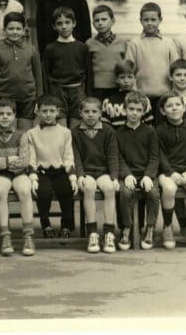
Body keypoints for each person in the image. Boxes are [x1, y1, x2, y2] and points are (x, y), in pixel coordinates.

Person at [24, 95, 77, 240]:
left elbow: (68, 155)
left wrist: (72, 175)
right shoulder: (32, 133)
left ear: (58, 112)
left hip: (60, 170)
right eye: (44, 111)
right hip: (42, 171)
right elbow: (32, 157)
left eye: (52, 111)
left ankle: (66, 226)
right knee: (43, 191)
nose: (48, 114)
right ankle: (46, 225)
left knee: (66, 190)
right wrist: (33, 176)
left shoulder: (65, 132)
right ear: (38, 112)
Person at [71, 97, 119, 254]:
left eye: (94, 111)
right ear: (80, 113)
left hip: (103, 171)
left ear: (100, 113)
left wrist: (114, 177)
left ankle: (109, 232)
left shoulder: (108, 131)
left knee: (110, 188)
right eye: (86, 111)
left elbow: (113, 156)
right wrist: (80, 175)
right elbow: (76, 157)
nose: (90, 115)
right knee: (88, 188)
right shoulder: (75, 132)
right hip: (86, 172)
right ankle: (92, 233)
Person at [0, 100, 34, 257]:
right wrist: (9, 161)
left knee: (25, 190)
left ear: (14, 116)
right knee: (0, 191)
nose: (5, 117)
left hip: (19, 173)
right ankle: (5, 235)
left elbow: (24, 160)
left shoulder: (21, 135)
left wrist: (6, 162)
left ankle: (28, 235)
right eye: (0, 114)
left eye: (8, 114)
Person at [156, 92, 186, 249]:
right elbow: (160, 155)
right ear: (163, 111)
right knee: (169, 189)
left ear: (184, 108)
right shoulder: (159, 131)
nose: (174, 108)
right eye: (169, 106)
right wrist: (171, 173)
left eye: (178, 105)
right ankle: (168, 226)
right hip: (167, 171)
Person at [114, 91, 160, 250]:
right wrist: (126, 175)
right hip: (128, 174)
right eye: (131, 109)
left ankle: (150, 228)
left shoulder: (150, 132)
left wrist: (148, 176)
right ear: (124, 109)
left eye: (139, 110)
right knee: (125, 193)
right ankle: (126, 228)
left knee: (153, 193)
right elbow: (118, 158)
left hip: (146, 173)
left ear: (144, 112)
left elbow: (154, 157)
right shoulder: (117, 133)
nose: (134, 113)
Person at [0, 12, 45, 131]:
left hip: (28, 99)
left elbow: (38, 75)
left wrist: (39, 98)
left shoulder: (31, 49)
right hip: (5, 99)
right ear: (4, 30)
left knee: (25, 133)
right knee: (9, 133)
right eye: (11, 29)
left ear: (24, 30)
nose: (15, 32)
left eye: (18, 29)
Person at [43, 6, 92, 127]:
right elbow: (45, 73)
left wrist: (88, 95)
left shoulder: (82, 47)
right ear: (54, 26)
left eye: (67, 22)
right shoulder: (50, 48)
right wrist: (47, 96)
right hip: (58, 91)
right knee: (60, 129)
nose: (64, 26)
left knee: (75, 128)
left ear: (74, 23)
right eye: (59, 23)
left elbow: (88, 72)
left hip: (77, 91)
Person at [125, 2, 179, 114]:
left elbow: (176, 69)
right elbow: (129, 71)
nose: (149, 23)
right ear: (141, 20)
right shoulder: (134, 43)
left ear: (160, 20)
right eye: (146, 20)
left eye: (153, 20)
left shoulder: (169, 43)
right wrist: (135, 94)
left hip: (165, 97)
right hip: (141, 98)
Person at [86, 4, 128, 101]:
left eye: (104, 19)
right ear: (93, 24)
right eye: (97, 20)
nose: (100, 23)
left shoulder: (122, 42)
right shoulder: (89, 44)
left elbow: (126, 67)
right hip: (97, 90)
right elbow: (87, 70)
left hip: (117, 87)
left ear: (113, 21)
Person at [100, 59, 154, 127]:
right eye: (122, 77)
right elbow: (106, 128)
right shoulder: (108, 102)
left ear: (135, 78)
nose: (126, 81)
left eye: (130, 77)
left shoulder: (144, 100)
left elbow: (149, 126)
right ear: (116, 79)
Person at [154, 59, 186, 125]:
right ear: (170, 77)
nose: (182, 78)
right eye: (178, 75)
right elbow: (159, 125)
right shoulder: (163, 100)